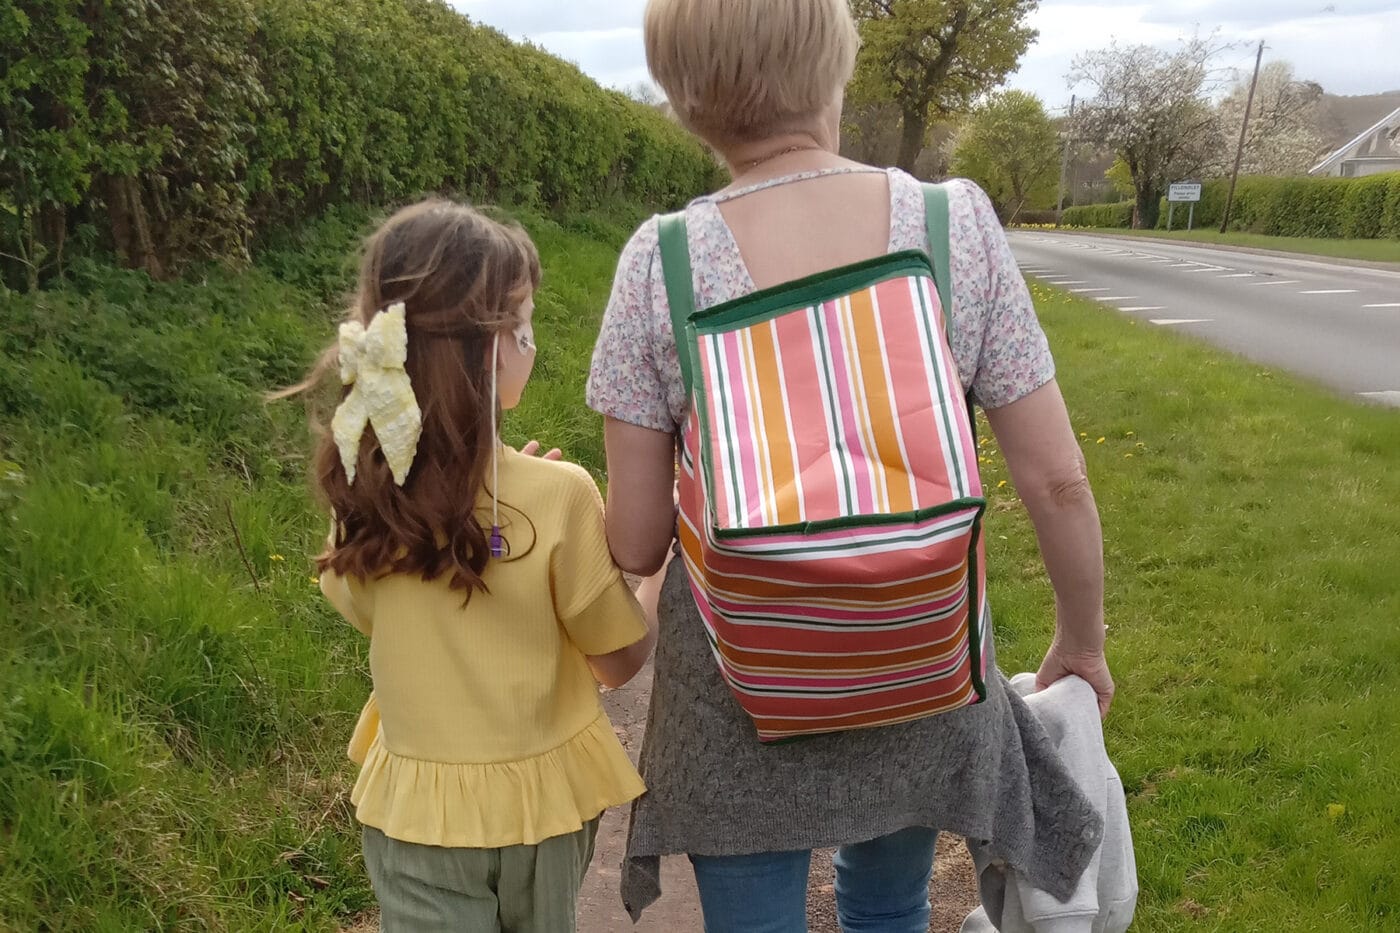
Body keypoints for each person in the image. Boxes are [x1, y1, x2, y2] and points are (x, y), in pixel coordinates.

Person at [585, 0, 1116, 929]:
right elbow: (1058, 479)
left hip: (736, 689)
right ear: (837, 62)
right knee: (891, 904)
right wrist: (1081, 639)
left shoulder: (657, 262)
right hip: (916, 657)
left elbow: (634, 540)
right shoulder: (954, 228)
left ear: (682, 100)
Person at [284, 200, 656, 933]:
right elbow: (619, 661)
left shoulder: (363, 497)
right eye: (527, 323)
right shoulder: (560, 495)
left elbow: (366, 609)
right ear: (494, 346)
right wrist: (651, 577)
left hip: (416, 810)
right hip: (542, 809)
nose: (534, 344)